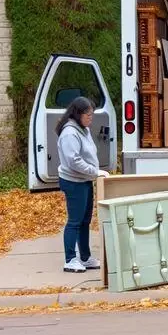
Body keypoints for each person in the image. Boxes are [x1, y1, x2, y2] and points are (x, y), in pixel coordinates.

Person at [55, 96, 109, 273]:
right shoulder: (70, 133)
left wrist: (93, 172)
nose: (91, 118)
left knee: (85, 220)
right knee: (75, 221)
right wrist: (95, 172)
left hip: (84, 180)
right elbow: (74, 161)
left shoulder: (82, 129)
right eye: (88, 115)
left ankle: (85, 257)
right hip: (73, 182)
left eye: (92, 114)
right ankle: (70, 259)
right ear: (78, 114)